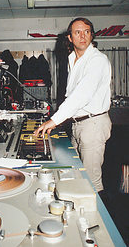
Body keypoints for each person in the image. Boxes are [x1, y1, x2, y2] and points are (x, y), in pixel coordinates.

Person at [34, 17, 112, 193]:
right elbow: (71, 95)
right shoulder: (73, 59)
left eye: (86, 32)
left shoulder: (97, 60)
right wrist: (60, 119)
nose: (82, 36)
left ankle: (97, 218)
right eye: (77, 32)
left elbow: (81, 95)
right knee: (74, 170)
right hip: (78, 123)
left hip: (93, 124)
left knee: (92, 180)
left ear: (92, 36)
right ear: (70, 38)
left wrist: (54, 120)